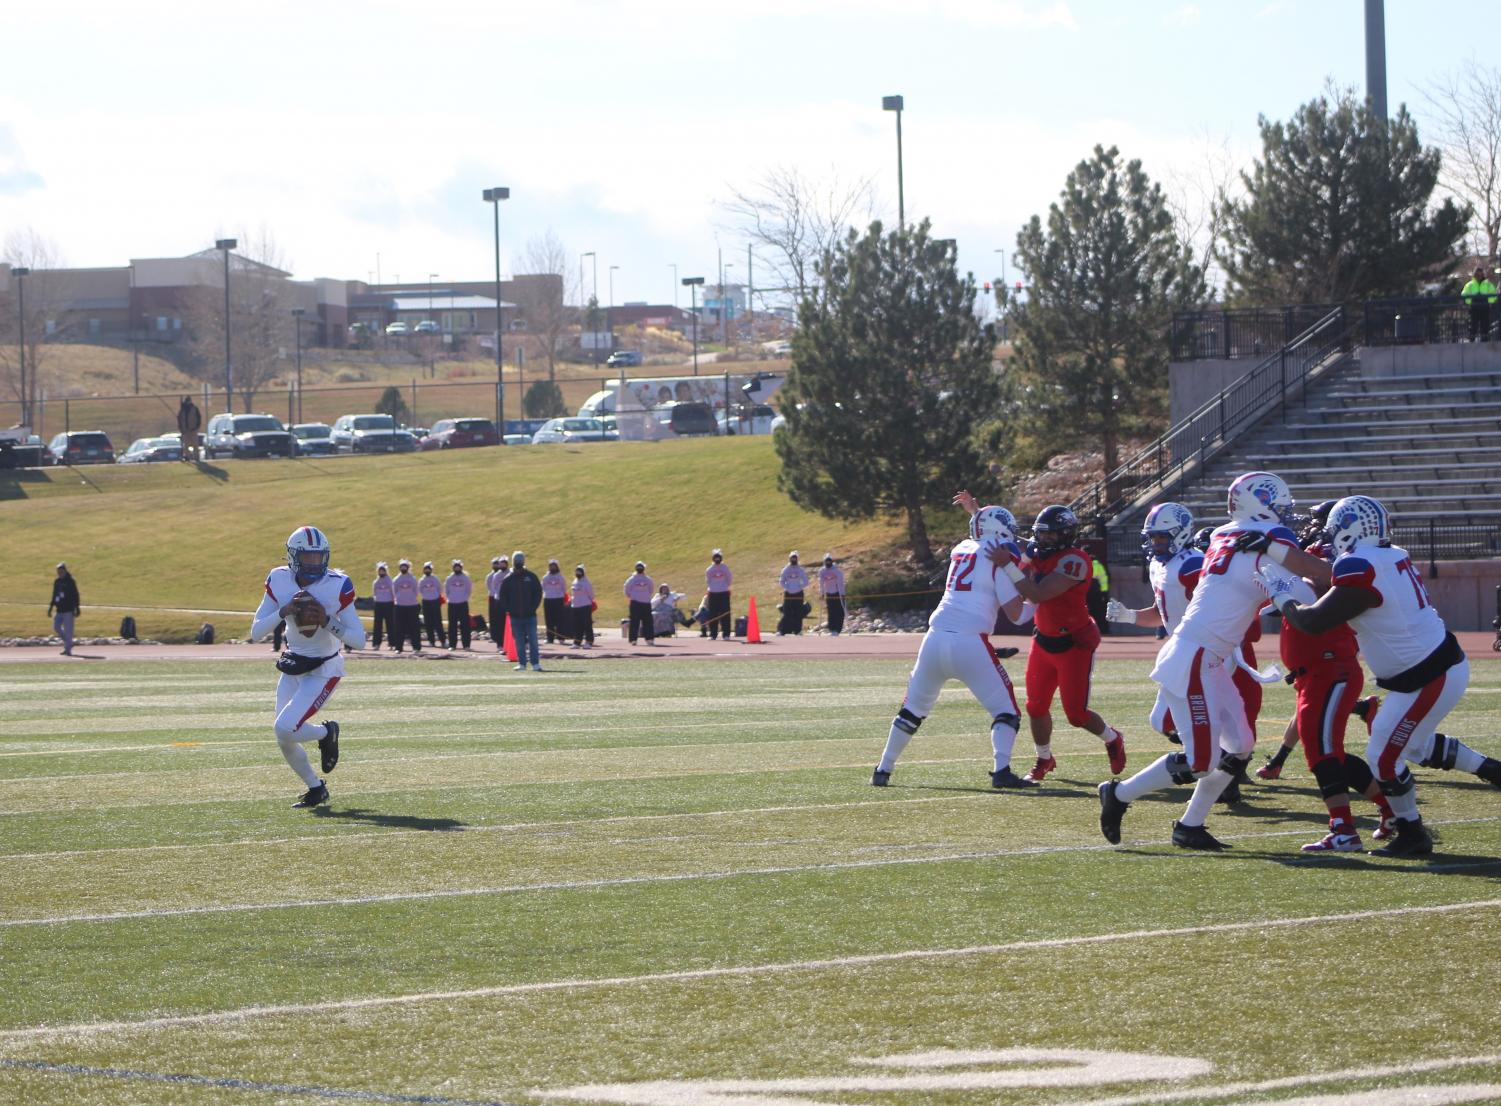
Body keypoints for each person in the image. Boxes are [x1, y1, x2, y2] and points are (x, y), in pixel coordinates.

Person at [1097, 472, 1333, 851]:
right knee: (1202, 761)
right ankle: (1119, 794)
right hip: (1194, 656)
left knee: (1239, 745)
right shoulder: (1266, 541)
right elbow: (1315, 583)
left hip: (1209, 657)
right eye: (1279, 507)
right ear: (1261, 506)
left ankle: (1190, 825)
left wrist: (1284, 574)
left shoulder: (1227, 535)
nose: (1285, 515)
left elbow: (1294, 585)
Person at [1260, 495, 1501, 857]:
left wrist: (1281, 597)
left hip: (1429, 674)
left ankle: (1412, 834)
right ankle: (1493, 770)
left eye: (1334, 529)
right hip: (1424, 670)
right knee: (1414, 746)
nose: (1328, 537)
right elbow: (1339, 598)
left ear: (1351, 529)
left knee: (1384, 758)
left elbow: (1312, 621)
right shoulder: (1388, 555)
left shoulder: (1361, 565)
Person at [1249, 500, 1393, 851]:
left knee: (1322, 752)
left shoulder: (1344, 563)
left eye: (1319, 522)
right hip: (1312, 672)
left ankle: (1344, 829)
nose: (1313, 528)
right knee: (1331, 753)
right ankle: (1390, 811)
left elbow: (1316, 580)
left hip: (1332, 668)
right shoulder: (1315, 554)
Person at [873, 502, 1033, 790]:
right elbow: (1018, 615)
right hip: (971, 641)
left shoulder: (961, 550)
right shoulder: (999, 560)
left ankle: (883, 769)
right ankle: (1002, 771)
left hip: (933, 639)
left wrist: (975, 514)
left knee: (912, 710)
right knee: (1006, 712)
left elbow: (979, 539)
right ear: (1001, 531)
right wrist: (1038, 601)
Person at [979, 500, 1126, 783]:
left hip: (1073, 645)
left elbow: (1038, 593)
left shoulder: (1076, 560)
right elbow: (1012, 541)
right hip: (1043, 641)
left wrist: (1008, 564)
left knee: (1077, 714)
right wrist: (978, 515)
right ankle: (1044, 758)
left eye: (1051, 534)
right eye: (1041, 533)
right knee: (1035, 706)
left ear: (1067, 534)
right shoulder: (1038, 551)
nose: (1043, 539)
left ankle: (1112, 737)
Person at [248, 526, 365, 808]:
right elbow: (255, 632)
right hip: (295, 662)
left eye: (319, 557)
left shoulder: (337, 584)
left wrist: (327, 621)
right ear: (292, 557)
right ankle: (316, 787)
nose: (315, 564)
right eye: (307, 557)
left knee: (285, 728)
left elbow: (359, 640)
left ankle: (327, 732)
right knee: (283, 736)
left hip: (324, 668)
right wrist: (283, 611)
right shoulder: (278, 578)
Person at [1105, 502, 1202, 744]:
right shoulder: (1158, 564)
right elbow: (1163, 613)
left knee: (1197, 719)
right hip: (1181, 649)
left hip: (1204, 650)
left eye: (1161, 536)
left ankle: (1215, 761)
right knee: (1162, 722)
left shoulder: (1193, 565)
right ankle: (1213, 757)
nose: (1156, 542)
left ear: (1181, 533)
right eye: (1153, 536)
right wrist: (1129, 616)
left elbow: (1215, 610)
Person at [499, 550, 544, 670]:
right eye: (516, 560)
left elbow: (538, 593)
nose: (518, 562)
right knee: (519, 642)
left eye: (520, 560)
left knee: (533, 641)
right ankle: (522, 663)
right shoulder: (508, 579)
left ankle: (535, 663)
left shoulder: (531, 577)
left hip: (530, 616)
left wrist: (533, 607)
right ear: (513, 562)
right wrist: (509, 610)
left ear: (523, 561)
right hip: (515, 617)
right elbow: (502, 596)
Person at [47, 562, 80, 656]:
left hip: (69, 610)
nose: (60, 573)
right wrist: (50, 607)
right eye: (58, 572)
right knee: (56, 626)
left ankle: (68, 649)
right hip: (59, 609)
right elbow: (54, 595)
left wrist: (77, 608)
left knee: (68, 630)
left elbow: (75, 595)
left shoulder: (70, 581)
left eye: (61, 571)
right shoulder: (57, 581)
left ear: (65, 571)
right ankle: (69, 643)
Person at [391, 558, 422, 653]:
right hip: (400, 606)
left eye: (405, 566)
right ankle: (398, 648)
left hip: (412, 605)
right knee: (399, 627)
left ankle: (416, 647)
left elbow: (416, 591)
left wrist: (409, 598)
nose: (403, 568)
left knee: (414, 627)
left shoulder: (412, 579)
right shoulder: (396, 579)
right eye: (402, 567)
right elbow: (394, 592)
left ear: (408, 568)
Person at [777, 551, 810, 635]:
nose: (793, 559)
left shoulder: (800, 570)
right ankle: (782, 631)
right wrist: (787, 587)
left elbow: (806, 581)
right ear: (790, 559)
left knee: (798, 613)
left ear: (797, 559)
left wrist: (800, 587)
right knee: (786, 612)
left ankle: (798, 631)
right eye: (792, 558)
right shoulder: (786, 569)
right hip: (788, 593)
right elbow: (781, 581)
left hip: (798, 593)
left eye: (795, 558)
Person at [624, 561, 656, 645]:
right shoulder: (632, 579)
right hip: (635, 603)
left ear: (644, 568)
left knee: (648, 621)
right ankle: (633, 640)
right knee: (634, 621)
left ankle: (649, 639)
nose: (640, 569)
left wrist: (644, 596)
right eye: (638, 567)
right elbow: (626, 589)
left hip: (645, 603)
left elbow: (651, 589)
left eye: (641, 567)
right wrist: (633, 596)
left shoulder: (647, 579)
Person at [1462, 266, 1496, 342]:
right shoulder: (1469, 285)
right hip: (1474, 307)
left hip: (1485, 307)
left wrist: (1489, 301)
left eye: (1481, 274)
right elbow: (1464, 295)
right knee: (1473, 326)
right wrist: (1470, 302)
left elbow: (1493, 294)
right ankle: (1472, 340)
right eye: (1477, 274)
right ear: (1474, 274)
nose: (1479, 275)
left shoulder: (1488, 284)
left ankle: (1485, 340)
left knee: (1485, 326)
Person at [704, 549, 733, 640]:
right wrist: (714, 588)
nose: (717, 560)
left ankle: (726, 634)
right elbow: (708, 581)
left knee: (725, 614)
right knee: (713, 614)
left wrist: (724, 587)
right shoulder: (709, 569)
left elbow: (729, 578)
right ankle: (713, 634)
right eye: (715, 558)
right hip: (713, 593)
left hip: (723, 593)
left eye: (718, 558)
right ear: (713, 559)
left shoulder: (725, 568)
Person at [444, 559, 472, 650]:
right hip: (452, 604)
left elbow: (469, 590)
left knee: (465, 625)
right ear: (453, 568)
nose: (457, 568)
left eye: (458, 567)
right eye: (455, 567)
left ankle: (466, 645)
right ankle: (452, 645)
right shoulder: (449, 578)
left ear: (461, 567)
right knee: (452, 625)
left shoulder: (466, 578)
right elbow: (447, 591)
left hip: (463, 603)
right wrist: (452, 598)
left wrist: (463, 597)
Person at [486, 556, 510, 653]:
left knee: (509, 622)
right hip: (499, 601)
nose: (502, 565)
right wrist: (499, 595)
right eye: (501, 564)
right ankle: (500, 644)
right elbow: (494, 587)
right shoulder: (496, 575)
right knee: (499, 622)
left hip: (509, 600)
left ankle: (511, 644)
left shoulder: (510, 573)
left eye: (504, 563)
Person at [541, 558, 569, 644]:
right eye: (551, 566)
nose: (552, 568)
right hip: (548, 600)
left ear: (557, 567)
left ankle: (561, 638)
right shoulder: (545, 578)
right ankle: (550, 638)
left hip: (558, 599)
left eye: (554, 566)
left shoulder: (561, 578)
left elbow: (564, 589)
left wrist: (559, 595)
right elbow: (542, 588)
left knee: (560, 620)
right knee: (549, 620)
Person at [819, 553, 846, 636]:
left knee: (839, 612)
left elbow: (840, 583)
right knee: (831, 612)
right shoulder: (822, 571)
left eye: (829, 561)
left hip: (837, 593)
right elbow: (821, 583)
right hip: (829, 593)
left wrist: (842, 594)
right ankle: (832, 629)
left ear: (831, 561)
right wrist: (822, 593)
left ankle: (838, 629)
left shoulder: (837, 571)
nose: (828, 563)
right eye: (826, 561)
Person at [370, 562, 395, 651]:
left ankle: (392, 643)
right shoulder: (376, 582)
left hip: (388, 604)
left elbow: (393, 593)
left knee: (390, 624)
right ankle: (376, 644)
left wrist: (393, 603)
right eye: (380, 571)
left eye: (383, 571)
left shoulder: (390, 581)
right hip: (379, 604)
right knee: (377, 625)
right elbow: (374, 594)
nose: (381, 572)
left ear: (385, 571)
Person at [570, 564, 595, 648]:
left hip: (585, 605)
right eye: (576, 571)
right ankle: (577, 642)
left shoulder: (586, 582)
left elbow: (591, 594)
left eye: (579, 572)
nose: (578, 573)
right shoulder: (574, 582)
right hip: (575, 606)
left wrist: (587, 601)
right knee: (577, 625)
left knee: (587, 624)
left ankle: (589, 642)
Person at [418, 562, 443, 647]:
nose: (427, 570)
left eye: (428, 569)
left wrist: (435, 596)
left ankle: (442, 641)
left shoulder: (435, 579)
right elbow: (420, 590)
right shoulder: (422, 580)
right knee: (428, 623)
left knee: (438, 622)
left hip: (435, 601)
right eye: (425, 569)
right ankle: (431, 641)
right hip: (426, 602)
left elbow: (439, 589)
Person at [1087, 556, 1111, 635]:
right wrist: (1104, 593)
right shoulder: (1098, 565)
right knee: (1099, 612)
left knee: (1087, 612)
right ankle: (1102, 630)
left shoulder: (1083, 563)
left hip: (1086, 592)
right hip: (1097, 592)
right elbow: (1104, 579)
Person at [176, 395, 202, 462]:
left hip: (193, 429)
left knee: (195, 444)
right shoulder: (183, 410)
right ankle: (187, 457)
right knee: (186, 445)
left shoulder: (194, 408)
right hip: (185, 430)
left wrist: (196, 427)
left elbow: (199, 418)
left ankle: (196, 457)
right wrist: (181, 429)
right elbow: (179, 419)